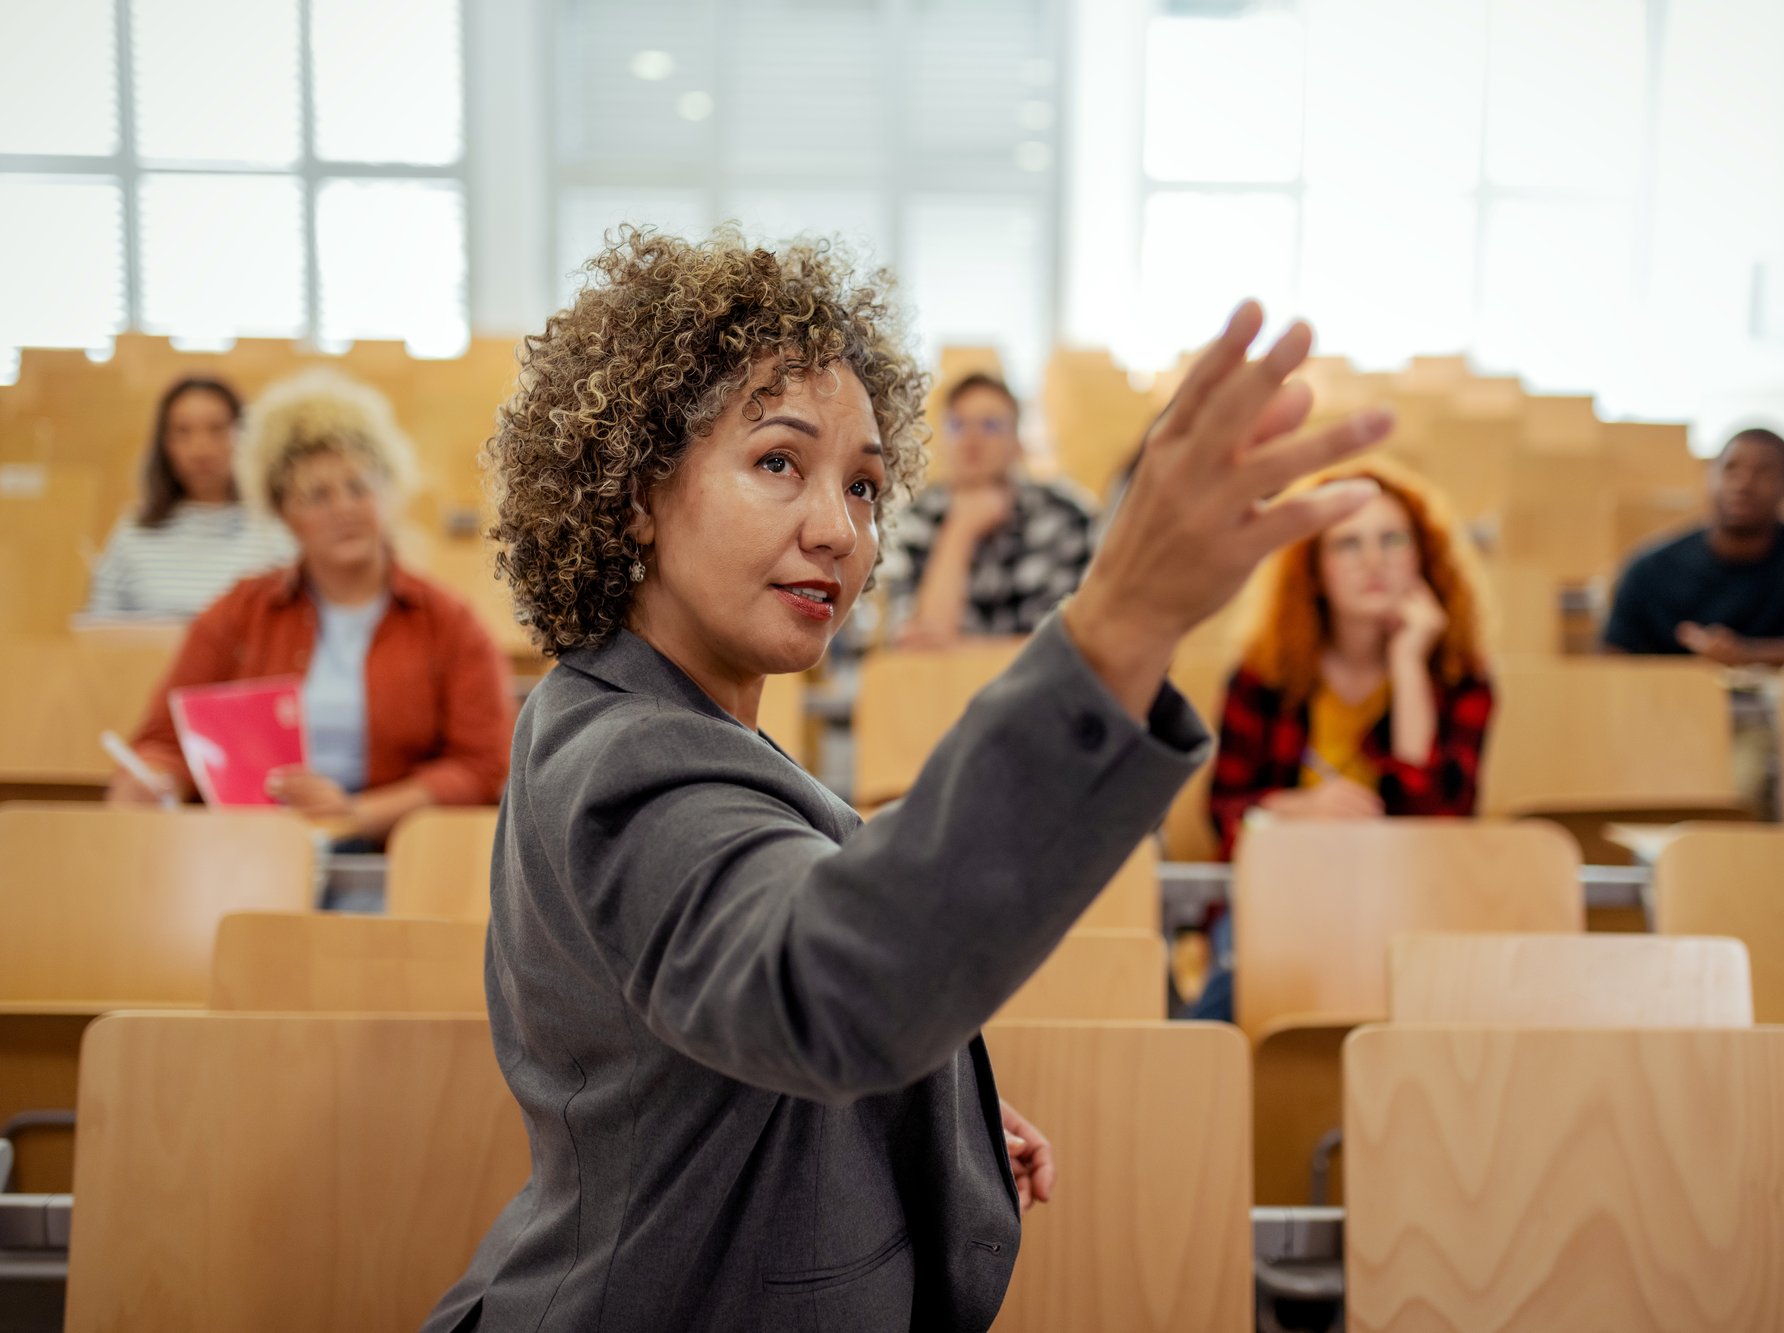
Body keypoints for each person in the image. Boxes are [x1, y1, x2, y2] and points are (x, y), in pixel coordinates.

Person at [420, 228, 1390, 1332]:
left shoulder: (664, 719)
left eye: (867, 487)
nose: (838, 530)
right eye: (777, 462)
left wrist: (929, 1108)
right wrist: (1119, 622)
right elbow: (818, 988)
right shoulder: (630, 755)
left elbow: (739, 1026)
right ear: (638, 494)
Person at [108, 370, 513, 846]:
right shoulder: (237, 614)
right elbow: (166, 739)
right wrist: (154, 779)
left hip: (393, 858)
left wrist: (357, 813)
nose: (343, 508)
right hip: (257, 852)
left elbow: (483, 765)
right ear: (283, 513)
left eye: (358, 487)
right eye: (316, 496)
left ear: (387, 491)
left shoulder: (448, 622)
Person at [1188, 461, 1493, 1022]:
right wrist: (1293, 811)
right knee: (1240, 990)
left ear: (1423, 556)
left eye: (1392, 539)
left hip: (1409, 899)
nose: (1373, 561)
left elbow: (1437, 822)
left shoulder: (1459, 681)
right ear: (1314, 568)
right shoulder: (1263, 676)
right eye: (1348, 545)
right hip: (1280, 899)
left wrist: (1408, 666)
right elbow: (1226, 814)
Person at [1602, 427, 1784, 664]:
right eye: (1731, 468)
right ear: (1710, 476)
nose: (1744, 483)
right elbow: (1612, 661)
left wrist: (1748, 655)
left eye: (1763, 472)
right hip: (1675, 712)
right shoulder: (1649, 568)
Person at [880, 371, 1095, 647]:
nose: (971, 440)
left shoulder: (1065, 517)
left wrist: (955, 648)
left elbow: (1065, 650)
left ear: (1018, 443)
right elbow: (917, 651)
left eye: (990, 425)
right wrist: (960, 530)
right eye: (957, 425)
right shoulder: (911, 521)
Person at [85, 377, 295, 618]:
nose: (200, 448)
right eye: (183, 432)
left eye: (217, 430)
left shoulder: (277, 532)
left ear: (245, 436)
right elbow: (99, 634)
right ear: (165, 445)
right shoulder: (132, 534)